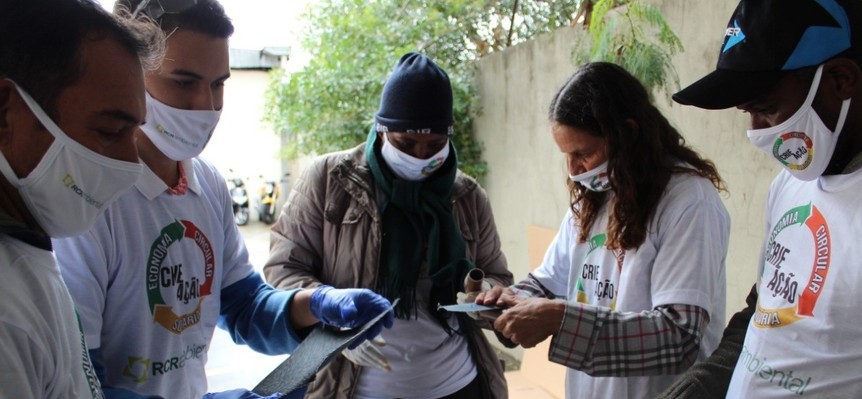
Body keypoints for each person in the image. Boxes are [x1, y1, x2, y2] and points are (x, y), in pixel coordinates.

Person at [51, 1, 394, 398]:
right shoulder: (90, 201)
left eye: (219, 84)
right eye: (183, 82)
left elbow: (244, 304)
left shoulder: (207, 184)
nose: (206, 106)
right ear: (131, 72)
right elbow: (77, 384)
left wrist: (315, 305)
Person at [656, 0, 862, 398]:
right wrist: (694, 388)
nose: (755, 131)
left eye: (766, 109)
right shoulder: (793, 181)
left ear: (841, 80)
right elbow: (763, 315)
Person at [263, 52, 514, 399]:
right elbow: (284, 267)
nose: (421, 156)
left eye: (435, 145)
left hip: (457, 384)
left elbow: (498, 277)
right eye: (406, 143)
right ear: (382, 130)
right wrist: (332, 323)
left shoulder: (467, 196)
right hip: (353, 387)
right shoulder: (329, 180)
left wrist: (484, 292)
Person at [476, 62, 729, 399]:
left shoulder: (688, 201)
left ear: (628, 133)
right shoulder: (591, 201)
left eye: (583, 153)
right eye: (566, 155)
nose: (573, 169)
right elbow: (549, 282)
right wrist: (515, 300)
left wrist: (560, 319)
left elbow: (678, 336)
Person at [0, 0, 156, 397]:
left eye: (133, 133)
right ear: (5, 113)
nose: (131, 164)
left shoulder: (29, 248)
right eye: (108, 131)